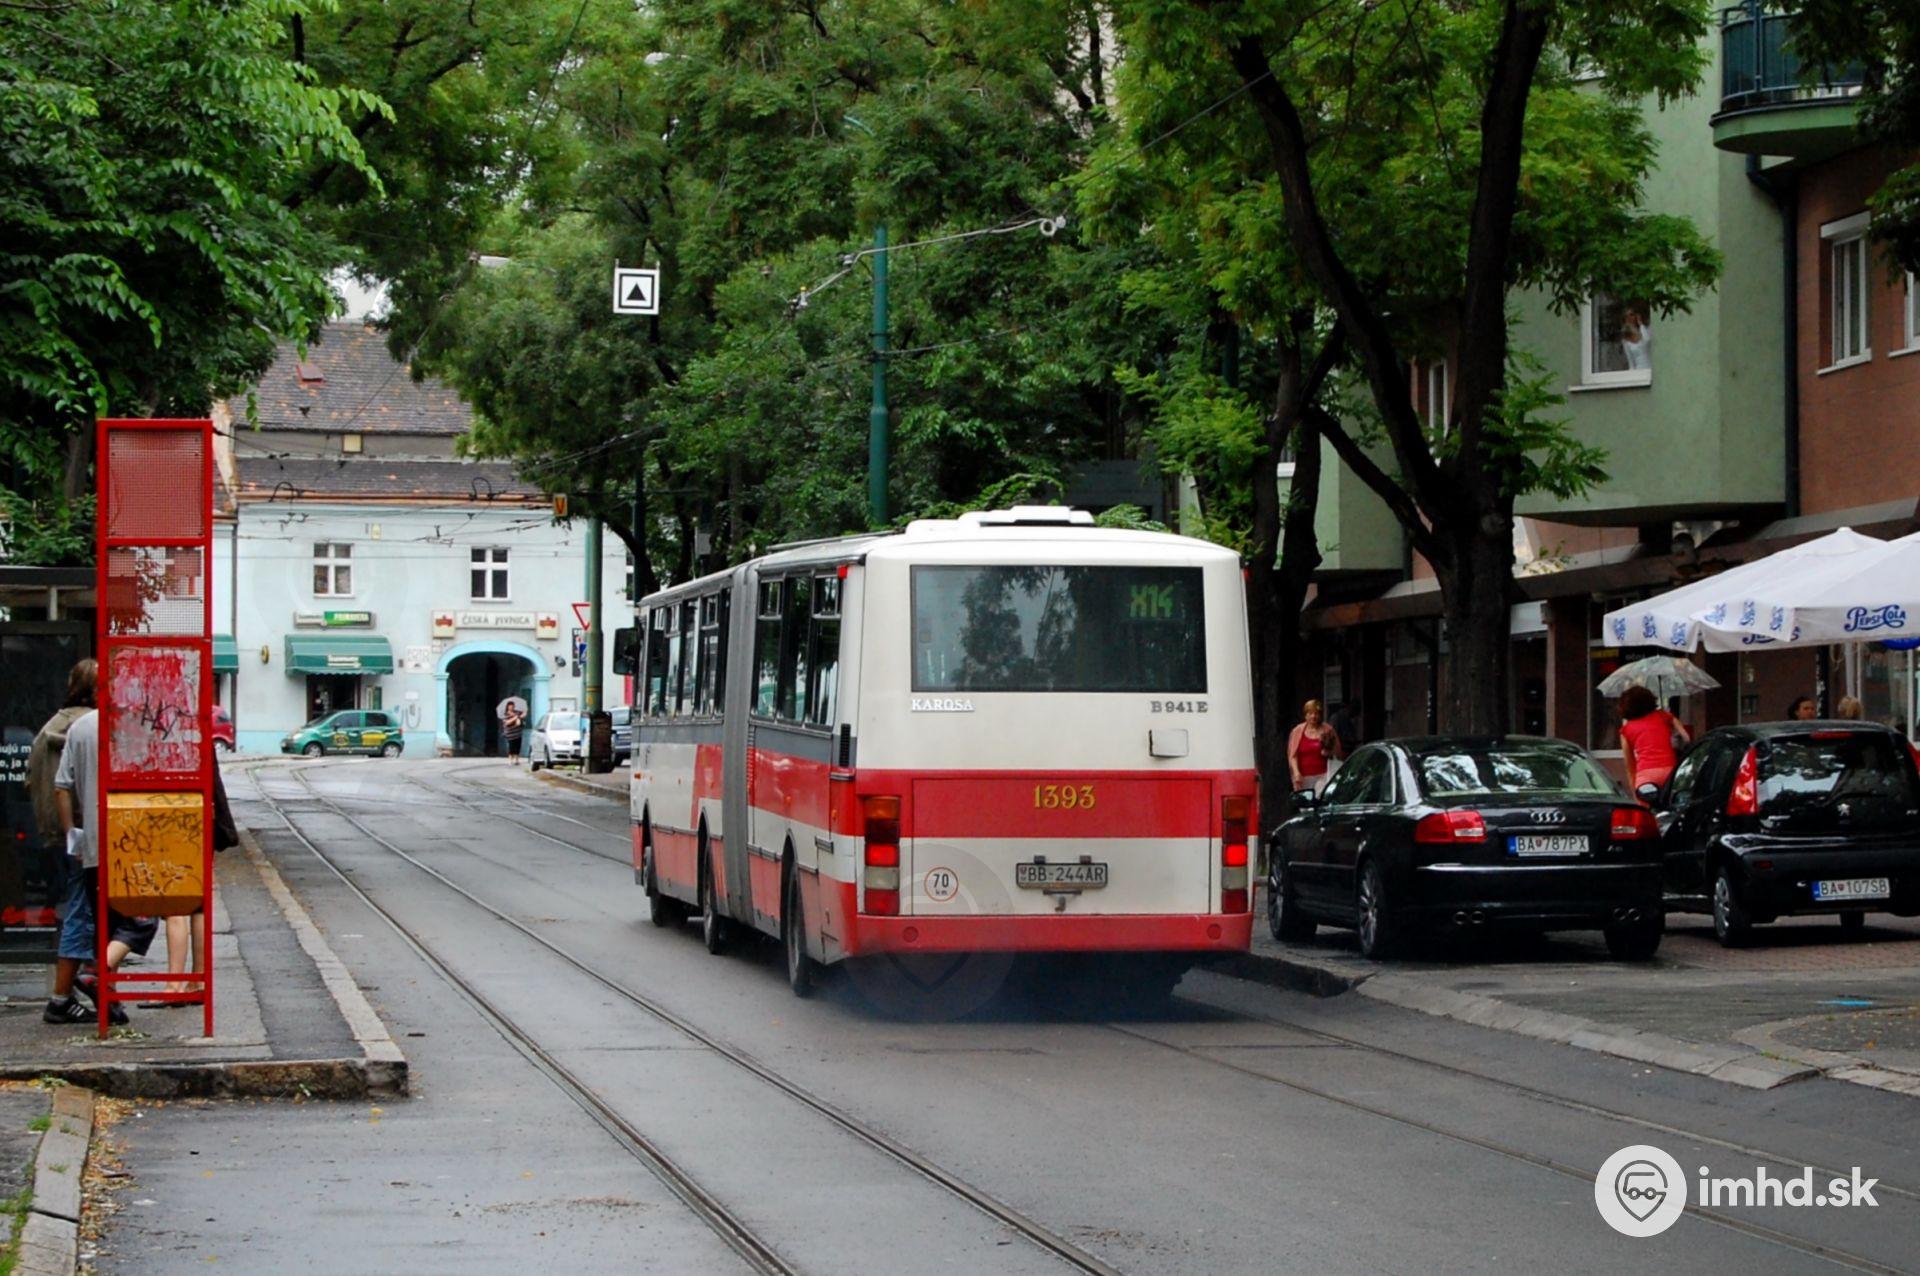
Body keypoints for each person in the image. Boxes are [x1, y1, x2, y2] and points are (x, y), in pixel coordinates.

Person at [46, 706, 158, 1026]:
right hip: (131, 841)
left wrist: (73, 834)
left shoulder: (80, 727)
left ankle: (110, 998)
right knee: (143, 917)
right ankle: (97, 975)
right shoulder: (136, 725)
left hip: (93, 845)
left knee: (106, 928)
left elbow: (61, 785)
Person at [1619, 685, 1689, 794]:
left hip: (1645, 776)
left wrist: (1635, 792)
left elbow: (1630, 766)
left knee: (1647, 804)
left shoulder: (1626, 730)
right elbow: (1686, 738)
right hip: (1670, 771)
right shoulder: (1665, 716)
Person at [1287, 699, 1343, 797]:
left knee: (1319, 798)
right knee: (1306, 802)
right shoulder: (1297, 731)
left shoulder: (1328, 730)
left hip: (1323, 775)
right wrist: (1296, 773)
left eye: (1316, 713)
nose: (1313, 716)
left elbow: (1338, 753)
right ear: (1305, 715)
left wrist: (1328, 752)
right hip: (1304, 777)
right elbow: (1293, 755)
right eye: (1310, 713)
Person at [1620, 307, 1651, 372]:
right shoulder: (1626, 340)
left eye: (1631, 315)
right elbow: (1630, 360)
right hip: (1639, 370)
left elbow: (1647, 340)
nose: (1629, 318)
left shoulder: (1645, 330)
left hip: (1650, 368)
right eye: (1626, 316)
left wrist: (1640, 324)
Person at [502, 702, 525, 766]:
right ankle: (510, 760)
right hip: (510, 734)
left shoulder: (517, 713)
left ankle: (517, 760)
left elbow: (523, 716)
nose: (511, 707)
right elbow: (507, 723)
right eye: (510, 706)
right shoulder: (505, 714)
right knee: (511, 747)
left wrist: (518, 716)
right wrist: (515, 718)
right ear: (507, 707)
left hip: (518, 733)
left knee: (518, 747)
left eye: (512, 706)